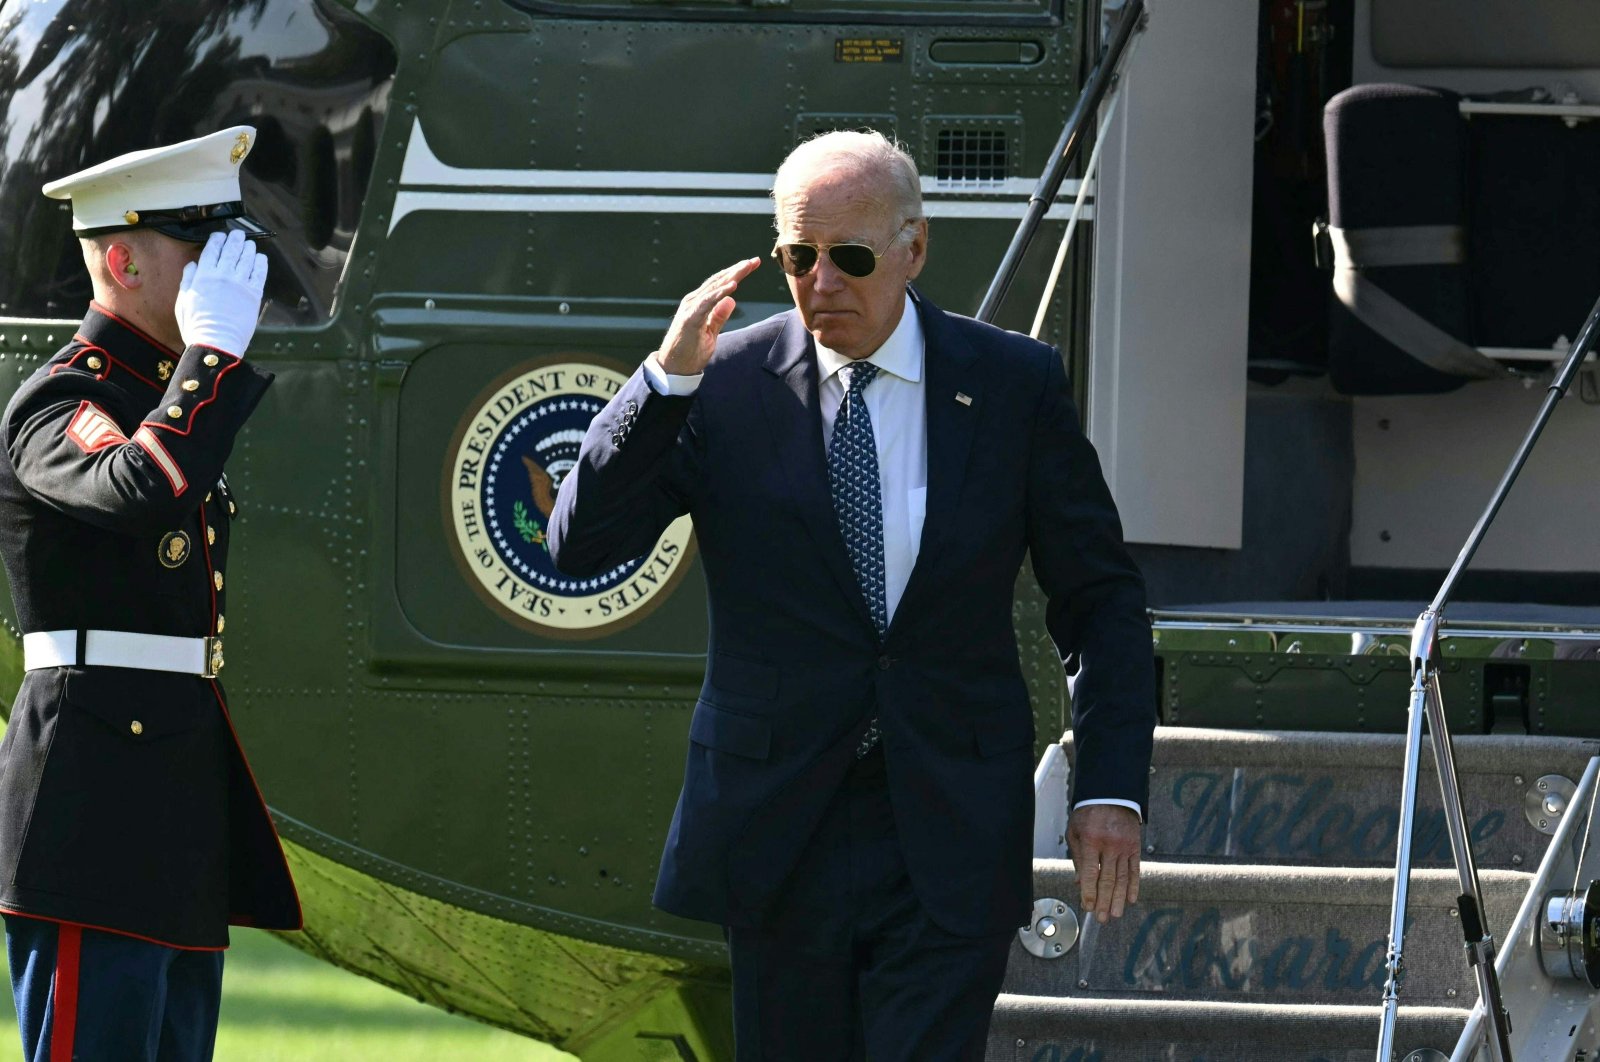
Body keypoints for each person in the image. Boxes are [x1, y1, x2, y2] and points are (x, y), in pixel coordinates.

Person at [548, 130, 1155, 1060]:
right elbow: (581, 542)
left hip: (950, 820)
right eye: (798, 257)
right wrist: (665, 379)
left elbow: (1100, 599)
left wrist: (1107, 785)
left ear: (914, 249)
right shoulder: (722, 385)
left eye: (851, 256)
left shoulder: (1009, 384)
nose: (821, 280)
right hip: (780, 827)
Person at [0, 126, 300, 1061]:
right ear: (122, 260)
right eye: (201, 251)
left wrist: (198, 367)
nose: (226, 276)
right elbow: (134, 488)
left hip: (171, 784)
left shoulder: (160, 395)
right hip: (92, 795)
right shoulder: (58, 401)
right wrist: (210, 359)